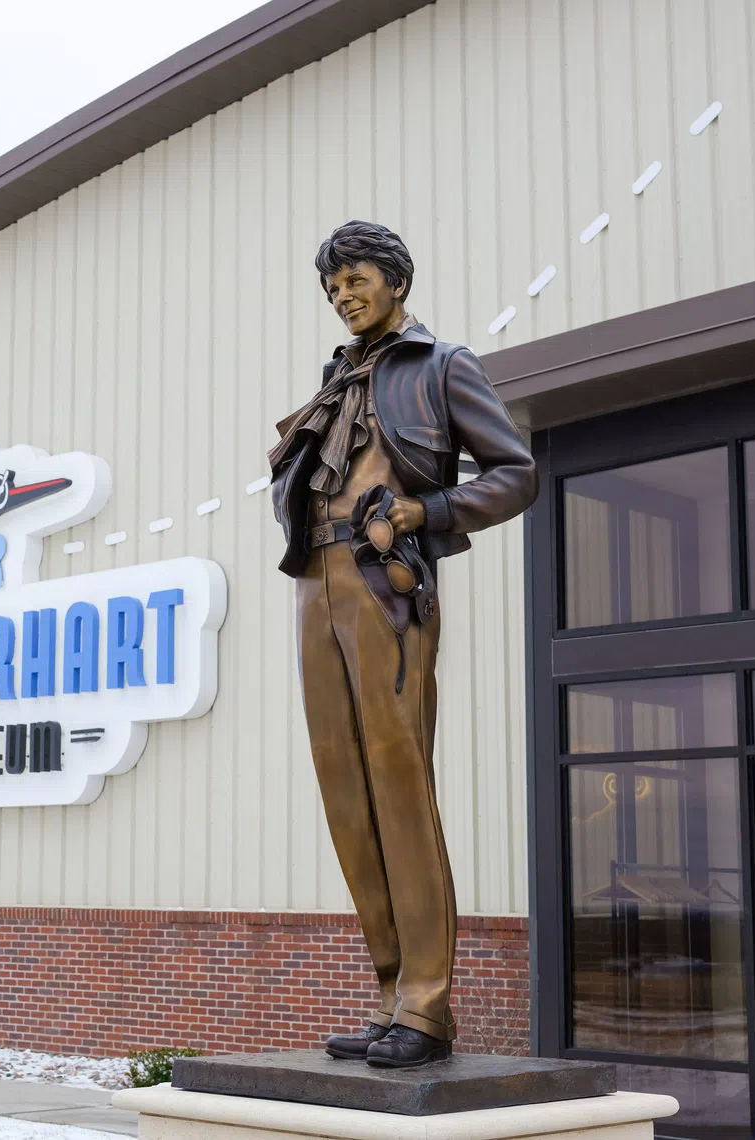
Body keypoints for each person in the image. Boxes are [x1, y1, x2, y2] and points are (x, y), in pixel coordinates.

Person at [268, 220, 537, 1068]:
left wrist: (430, 511)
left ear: (395, 280)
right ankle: (388, 995)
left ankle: (426, 1006)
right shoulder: (334, 380)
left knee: (399, 779)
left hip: (386, 578)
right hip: (315, 577)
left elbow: (515, 472)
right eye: (333, 287)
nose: (345, 295)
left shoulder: (442, 365)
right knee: (342, 788)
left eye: (356, 279)